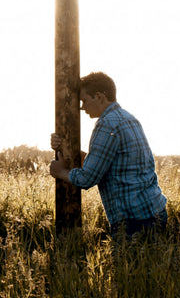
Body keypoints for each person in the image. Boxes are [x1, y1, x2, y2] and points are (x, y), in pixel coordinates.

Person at [49, 71, 168, 237]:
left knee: (126, 263)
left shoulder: (107, 125)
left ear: (99, 97)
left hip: (134, 222)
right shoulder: (128, 119)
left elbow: (87, 178)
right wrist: (64, 147)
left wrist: (59, 172)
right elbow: (103, 163)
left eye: (84, 100)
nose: (82, 107)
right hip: (154, 211)